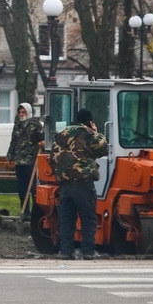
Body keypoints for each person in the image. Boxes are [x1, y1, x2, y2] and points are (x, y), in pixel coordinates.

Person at [51, 108, 108, 260]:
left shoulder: (61, 134)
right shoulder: (88, 133)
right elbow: (103, 148)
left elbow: (52, 157)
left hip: (65, 184)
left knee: (67, 220)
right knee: (88, 219)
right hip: (83, 183)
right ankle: (88, 252)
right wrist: (96, 132)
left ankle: (66, 252)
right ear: (89, 121)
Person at [6, 103, 44, 219]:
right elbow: (13, 142)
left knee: (33, 188)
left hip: (31, 161)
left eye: (24, 112)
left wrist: (42, 143)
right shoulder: (17, 125)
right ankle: (25, 211)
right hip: (19, 161)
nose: (21, 114)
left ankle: (36, 213)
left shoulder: (36, 124)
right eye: (20, 112)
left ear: (28, 112)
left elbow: (43, 139)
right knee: (22, 188)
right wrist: (9, 157)